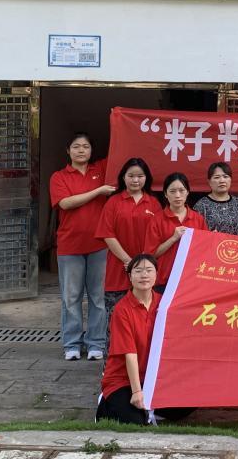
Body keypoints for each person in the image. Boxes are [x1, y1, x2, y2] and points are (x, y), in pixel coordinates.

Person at [95, 254, 195, 425]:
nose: (144, 275)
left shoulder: (164, 304)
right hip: (123, 379)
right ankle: (105, 403)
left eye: (149, 270)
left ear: (156, 275)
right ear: (129, 276)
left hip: (154, 376)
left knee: (190, 402)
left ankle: (150, 408)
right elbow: (130, 354)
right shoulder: (122, 310)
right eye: (138, 271)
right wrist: (136, 392)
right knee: (136, 422)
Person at [49, 132, 115, 362]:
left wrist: (120, 120)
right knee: (71, 298)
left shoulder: (101, 170)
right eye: (76, 146)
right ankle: (72, 344)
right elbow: (66, 203)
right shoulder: (59, 177)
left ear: (91, 150)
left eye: (85, 146)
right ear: (68, 151)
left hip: (99, 245)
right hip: (70, 246)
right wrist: (98, 191)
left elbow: (122, 146)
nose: (81, 150)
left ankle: (96, 342)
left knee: (98, 297)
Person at [96, 157, 160, 335]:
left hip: (146, 272)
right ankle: (113, 355)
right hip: (118, 270)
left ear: (147, 178)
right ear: (123, 177)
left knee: (146, 324)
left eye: (140, 176)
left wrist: (140, 265)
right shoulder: (113, 202)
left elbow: (158, 236)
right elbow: (107, 234)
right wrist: (129, 262)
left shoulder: (154, 203)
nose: (135, 180)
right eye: (131, 176)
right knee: (115, 324)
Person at [145, 172, 208, 291]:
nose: (177, 195)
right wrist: (173, 238)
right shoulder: (156, 220)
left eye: (181, 190)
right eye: (172, 191)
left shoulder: (198, 219)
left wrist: (211, 239)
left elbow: (204, 251)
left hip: (191, 279)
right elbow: (151, 255)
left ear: (188, 192)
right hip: (163, 280)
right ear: (165, 194)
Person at [192, 161, 238, 236]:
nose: (222, 181)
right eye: (217, 177)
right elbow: (195, 234)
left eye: (225, 176)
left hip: (234, 243)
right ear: (209, 181)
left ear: (230, 179)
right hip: (210, 243)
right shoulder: (201, 206)